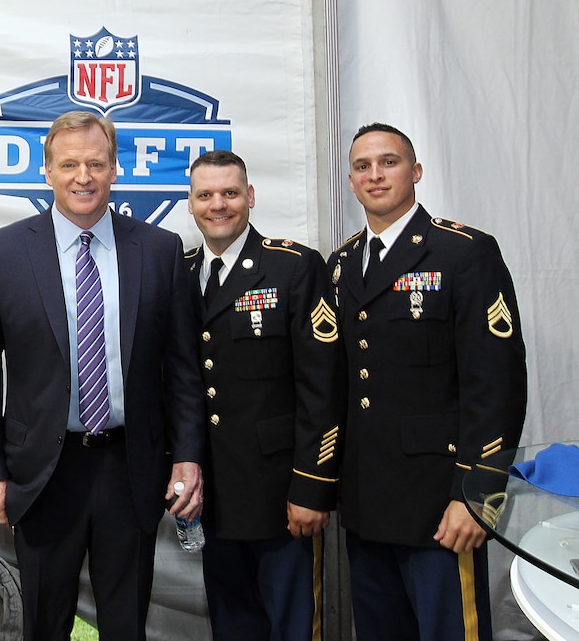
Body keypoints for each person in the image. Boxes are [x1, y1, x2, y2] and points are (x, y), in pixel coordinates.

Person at [0, 110, 206, 640]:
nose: (83, 177)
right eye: (69, 164)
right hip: (42, 471)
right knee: (46, 624)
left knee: (125, 623)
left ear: (115, 169)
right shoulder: (0, 253)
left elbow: (183, 370)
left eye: (95, 163)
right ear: (46, 172)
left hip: (131, 466)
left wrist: (187, 457)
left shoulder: (160, 251)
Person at [328, 123, 527, 640]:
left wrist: (477, 495)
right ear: (351, 181)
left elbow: (497, 386)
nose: (375, 175)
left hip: (441, 507)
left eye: (389, 162)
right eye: (363, 166)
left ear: (415, 172)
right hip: (367, 505)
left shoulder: (464, 253)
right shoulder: (342, 264)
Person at [183, 150, 344, 640]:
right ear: (190, 204)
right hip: (214, 495)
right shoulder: (181, 274)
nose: (219, 205)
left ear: (249, 197)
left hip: (283, 496)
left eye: (230, 193)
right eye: (205, 195)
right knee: (232, 625)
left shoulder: (293, 267)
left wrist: (312, 485)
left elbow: (323, 386)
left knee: (294, 626)